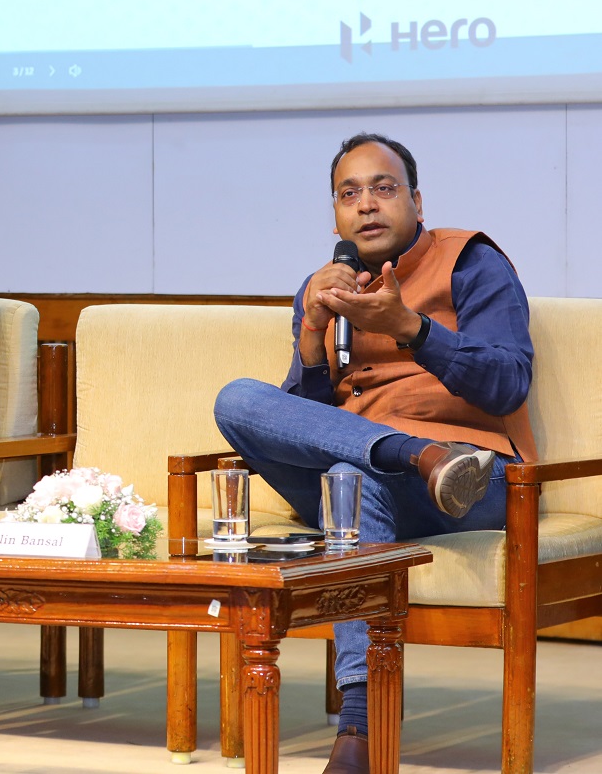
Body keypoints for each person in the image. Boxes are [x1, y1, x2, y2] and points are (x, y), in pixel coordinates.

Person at [212, 132, 533, 774]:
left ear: (416, 200)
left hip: (476, 476)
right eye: (349, 193)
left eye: (383, 188)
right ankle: (413, 453)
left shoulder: (472, 263)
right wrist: (309, 333)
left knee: (349, 480)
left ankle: (357, 729)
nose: (367, 205)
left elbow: (507, 382)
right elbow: (300, 416)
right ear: (334, 213)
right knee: (238, 400)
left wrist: (409, 329)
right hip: (382, 471)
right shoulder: (325, 284)